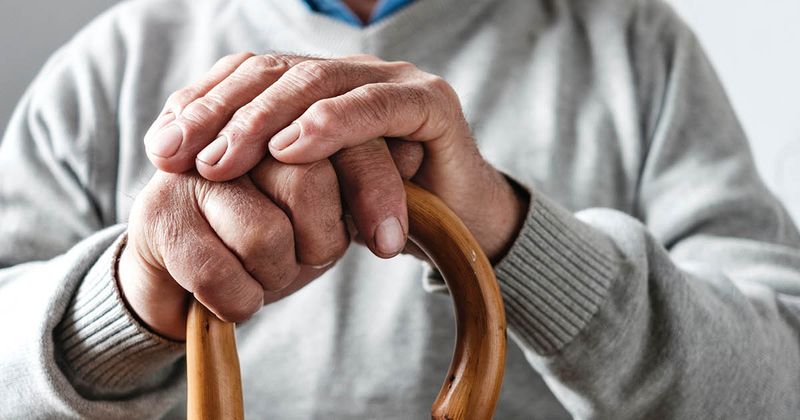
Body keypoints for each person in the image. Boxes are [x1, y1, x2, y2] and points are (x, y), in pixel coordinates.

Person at [1, 0, 798, 417]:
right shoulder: (110, 65)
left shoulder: (639, 48)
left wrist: (512, 235)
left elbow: (781, 386)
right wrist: (122, 305)